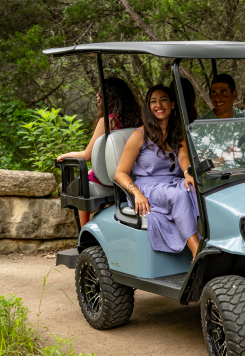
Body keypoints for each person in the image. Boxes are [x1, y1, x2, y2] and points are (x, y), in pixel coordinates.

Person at [114, 85, 201, 259]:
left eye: (163, 100)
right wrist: (136, 193)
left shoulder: (177, 132)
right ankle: (197, 252)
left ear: (172, 105)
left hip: (173, 182)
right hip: (146, 187)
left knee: (196, 190)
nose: (158, 105)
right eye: (153, 101)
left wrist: (187, 174)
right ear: (148, 107)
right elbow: (120, 173)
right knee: (179, 195)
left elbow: (183, 157)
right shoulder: (140, 135)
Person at [57, 77, 142, 227]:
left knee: (83, 184)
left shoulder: (108, 121)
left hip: (111, 178)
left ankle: (84, 234)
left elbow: (87, 155)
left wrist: (65, 155)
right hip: (134, 176)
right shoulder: (139, 119)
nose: (97, 96)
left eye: (99, 93)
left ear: (108, 96)